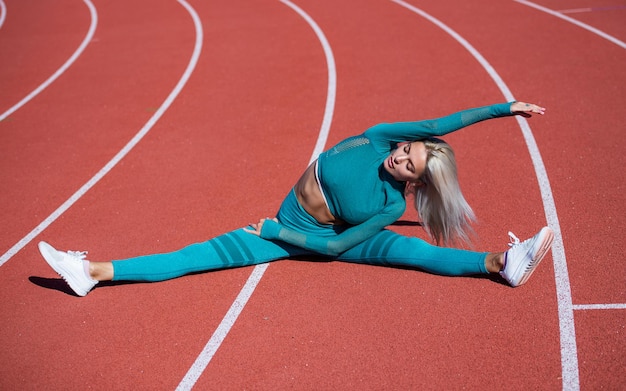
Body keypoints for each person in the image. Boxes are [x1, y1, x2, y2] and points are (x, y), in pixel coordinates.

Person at [39, 101, 554, 297]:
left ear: (415, 182)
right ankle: (92, 275)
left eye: (410, 165)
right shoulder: (380, 137)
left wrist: (275, 233)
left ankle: (500, 262)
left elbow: (331, 250)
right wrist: (504, 108)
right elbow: (439, 124)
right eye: (407, 150)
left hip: (308, 238)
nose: (400, 157)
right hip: (295, 225)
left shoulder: (391, 206)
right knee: (190, 258)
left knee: (410, 253)